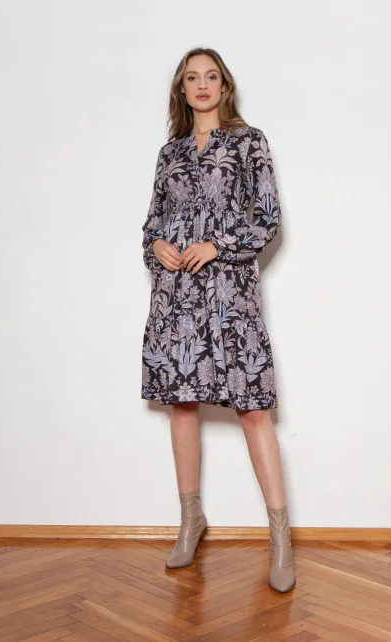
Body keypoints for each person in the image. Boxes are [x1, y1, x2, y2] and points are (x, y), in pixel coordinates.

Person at [140, 48, 295, 593]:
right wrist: (156, 245)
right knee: (183, 404)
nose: (202, 85)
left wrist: (218, 245)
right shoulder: (170, 153)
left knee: (253, 409)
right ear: (181, 90)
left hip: (230, 296)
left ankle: (280, 538)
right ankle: (191, 521)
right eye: (192, 78)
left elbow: (268, 221)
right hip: (177, 297)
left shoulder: (250, 142)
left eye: (211, 76)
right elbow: (151, 225)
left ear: (224, 86)